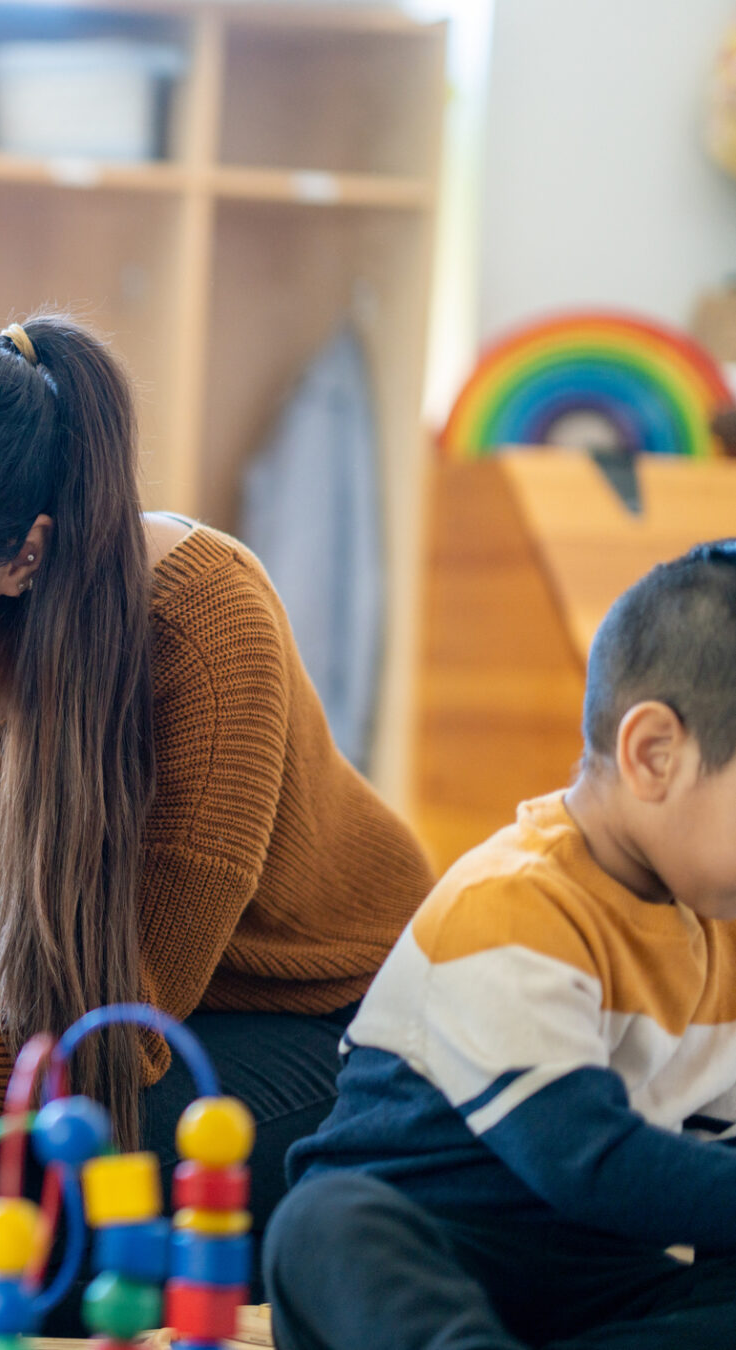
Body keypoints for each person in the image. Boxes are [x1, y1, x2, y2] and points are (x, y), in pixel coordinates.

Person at [0, 315, 433, 1331]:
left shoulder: (199, 620)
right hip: (52, 1002)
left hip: (327, 1030)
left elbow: (124, 1032)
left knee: (31, 1192)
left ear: (21, 558)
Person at [265, 540, 736, 1350]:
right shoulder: (511, 903)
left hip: (588, 1277)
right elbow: (585, 1160)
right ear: (653, 755)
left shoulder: (718, 930)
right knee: (322, 1224)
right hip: (437, 1242)